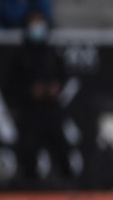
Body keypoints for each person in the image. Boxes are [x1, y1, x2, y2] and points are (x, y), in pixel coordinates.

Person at [8, 12, 72, 185]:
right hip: (29, 112)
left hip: (51, 111)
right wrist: (30, 91)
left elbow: (63, 76)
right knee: (28, 152)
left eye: (40, 23)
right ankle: (29, 189)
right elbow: (12, 86)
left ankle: (67, 187)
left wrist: (56, 88)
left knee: (61, 149)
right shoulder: (20, 55)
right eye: (33, 24)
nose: (37, 28)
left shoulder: (52, 53)